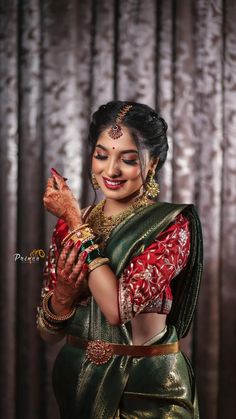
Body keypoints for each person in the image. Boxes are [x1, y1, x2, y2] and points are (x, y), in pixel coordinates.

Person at [37, 101, 203, 419]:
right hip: (78, 382)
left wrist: (74, 222)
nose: (110, 170)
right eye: (101, 155)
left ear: (152, 162)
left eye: (127, 160)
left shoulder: (170, 224)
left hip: (148, 386)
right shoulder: (72, 223)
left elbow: (116, 308)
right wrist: (60, 300)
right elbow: (48, 334)